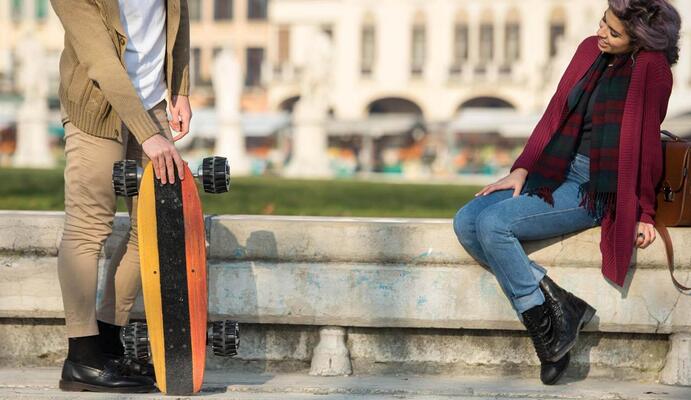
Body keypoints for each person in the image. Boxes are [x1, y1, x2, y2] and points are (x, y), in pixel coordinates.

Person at [453, 0, 680, 385]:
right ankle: (559, 308)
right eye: (602, 23)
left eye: (613, 32)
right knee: (466, 220)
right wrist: (523, 167)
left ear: (639, 41)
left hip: (598, 185)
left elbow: (644, 146)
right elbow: (556, 110)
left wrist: (643, 211)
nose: (601, 34)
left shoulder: (652, 71)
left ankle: (546, 335)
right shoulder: (589, 49)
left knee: (493, 225)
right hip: (556, 168)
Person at [50, 0, 191, 393]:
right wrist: (148, 134)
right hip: (96, 106)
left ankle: (109, 345)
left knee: (153, 226)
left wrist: (179, 87)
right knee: (88, 227)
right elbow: (100, 62)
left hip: (153, 104)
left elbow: (178, 16)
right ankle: (81, 356)